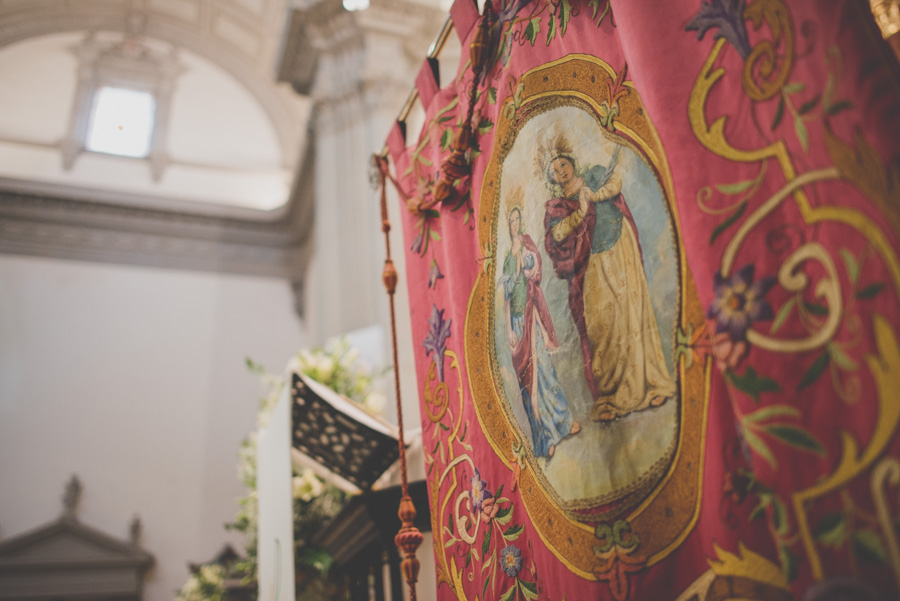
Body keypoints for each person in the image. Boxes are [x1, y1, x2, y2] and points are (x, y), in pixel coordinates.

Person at [541, 135, 675, 421]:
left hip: (619, 244)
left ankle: (650, 383)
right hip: (592, 262)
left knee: (631, 311)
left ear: (572, 162)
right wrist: (579, 214)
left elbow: (615, 183)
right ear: (551, 178)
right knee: (603, 324)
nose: (560, 170)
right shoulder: (557, 206)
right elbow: (556, 235)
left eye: (563, 163)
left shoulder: (593, 175)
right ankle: (615, 393)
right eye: (554, 170)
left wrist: (595, 195)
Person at [500, 203, 580, 458]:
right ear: (507, 223)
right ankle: (543, 439)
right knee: (527, 379)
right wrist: (508, 329)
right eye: (511, 220)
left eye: (517, 219)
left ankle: (562, 423)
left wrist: (530, 268)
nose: (515, 224)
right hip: (516, 322)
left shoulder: (526, 243)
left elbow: (536, 273)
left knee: (544, 372)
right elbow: (506, 297)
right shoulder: (507, 256)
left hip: (531, 314)